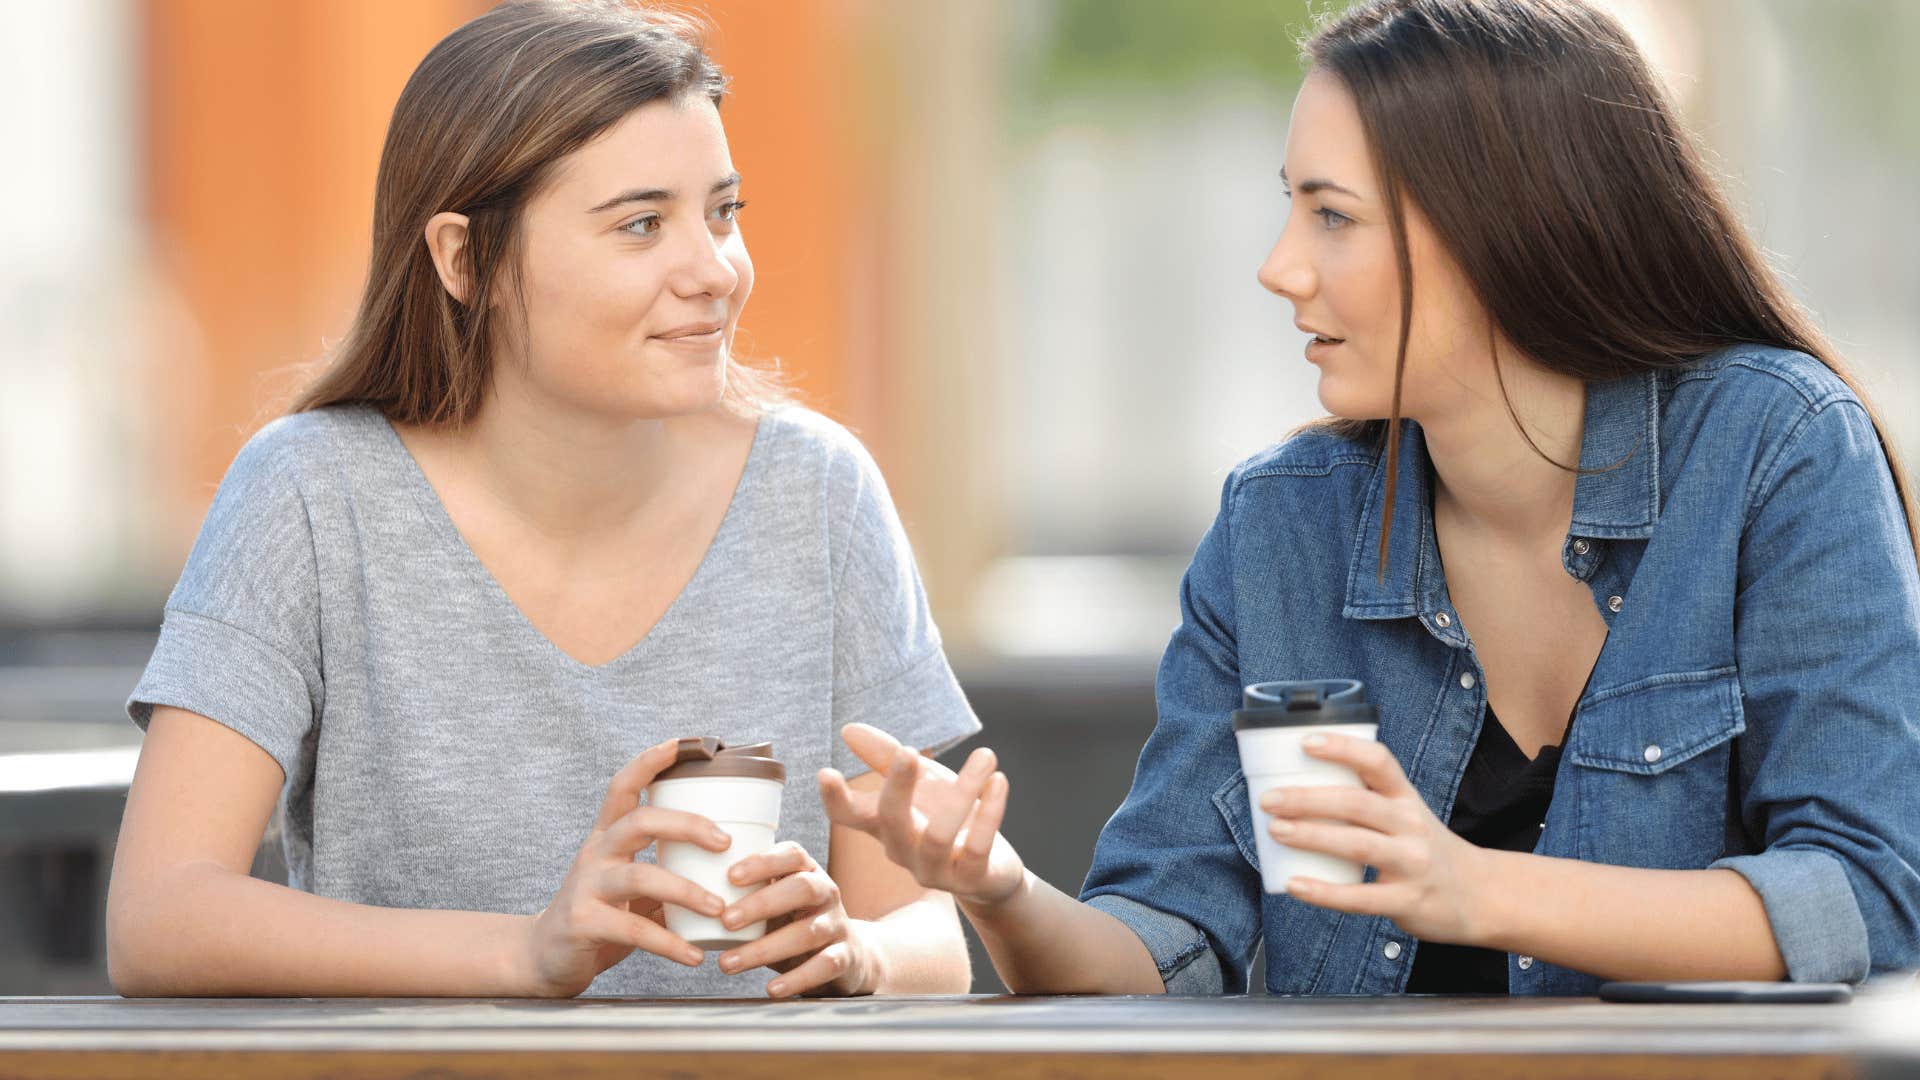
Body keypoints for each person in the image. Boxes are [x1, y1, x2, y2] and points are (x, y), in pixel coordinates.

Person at [821, 0, 1920, 996]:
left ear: (1502, 224)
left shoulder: (1777, 452)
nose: (1279, 268)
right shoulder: (1281, 525)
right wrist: (1002, 890)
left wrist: (1472, 887)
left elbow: (1871, 897)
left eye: (1331, 217)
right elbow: (1166, 949)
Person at [106, 0, 978, 999]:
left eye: (723, 211)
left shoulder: (822, 495)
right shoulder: (309, 495)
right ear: (464, 259)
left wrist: (860, 953)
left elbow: (931, 936)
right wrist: (525, 953)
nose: (715, 270)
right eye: (642, 225)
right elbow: (160, 914)